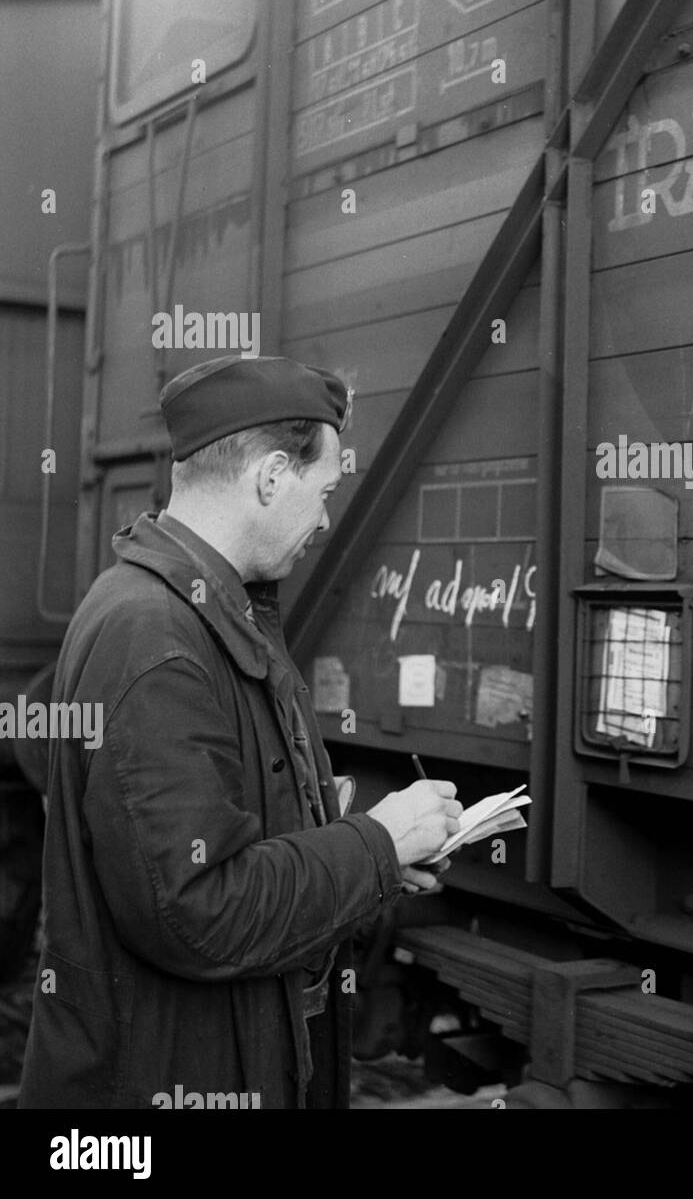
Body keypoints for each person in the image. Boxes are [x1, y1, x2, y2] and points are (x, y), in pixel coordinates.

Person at [19, 354, 462, 1109]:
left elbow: (215, 839)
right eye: (323, 493)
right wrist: (375, 846)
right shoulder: (157, 638)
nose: (325, 521)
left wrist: (358, 854)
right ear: (270, 477)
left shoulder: (195, 611)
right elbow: (196, 911)